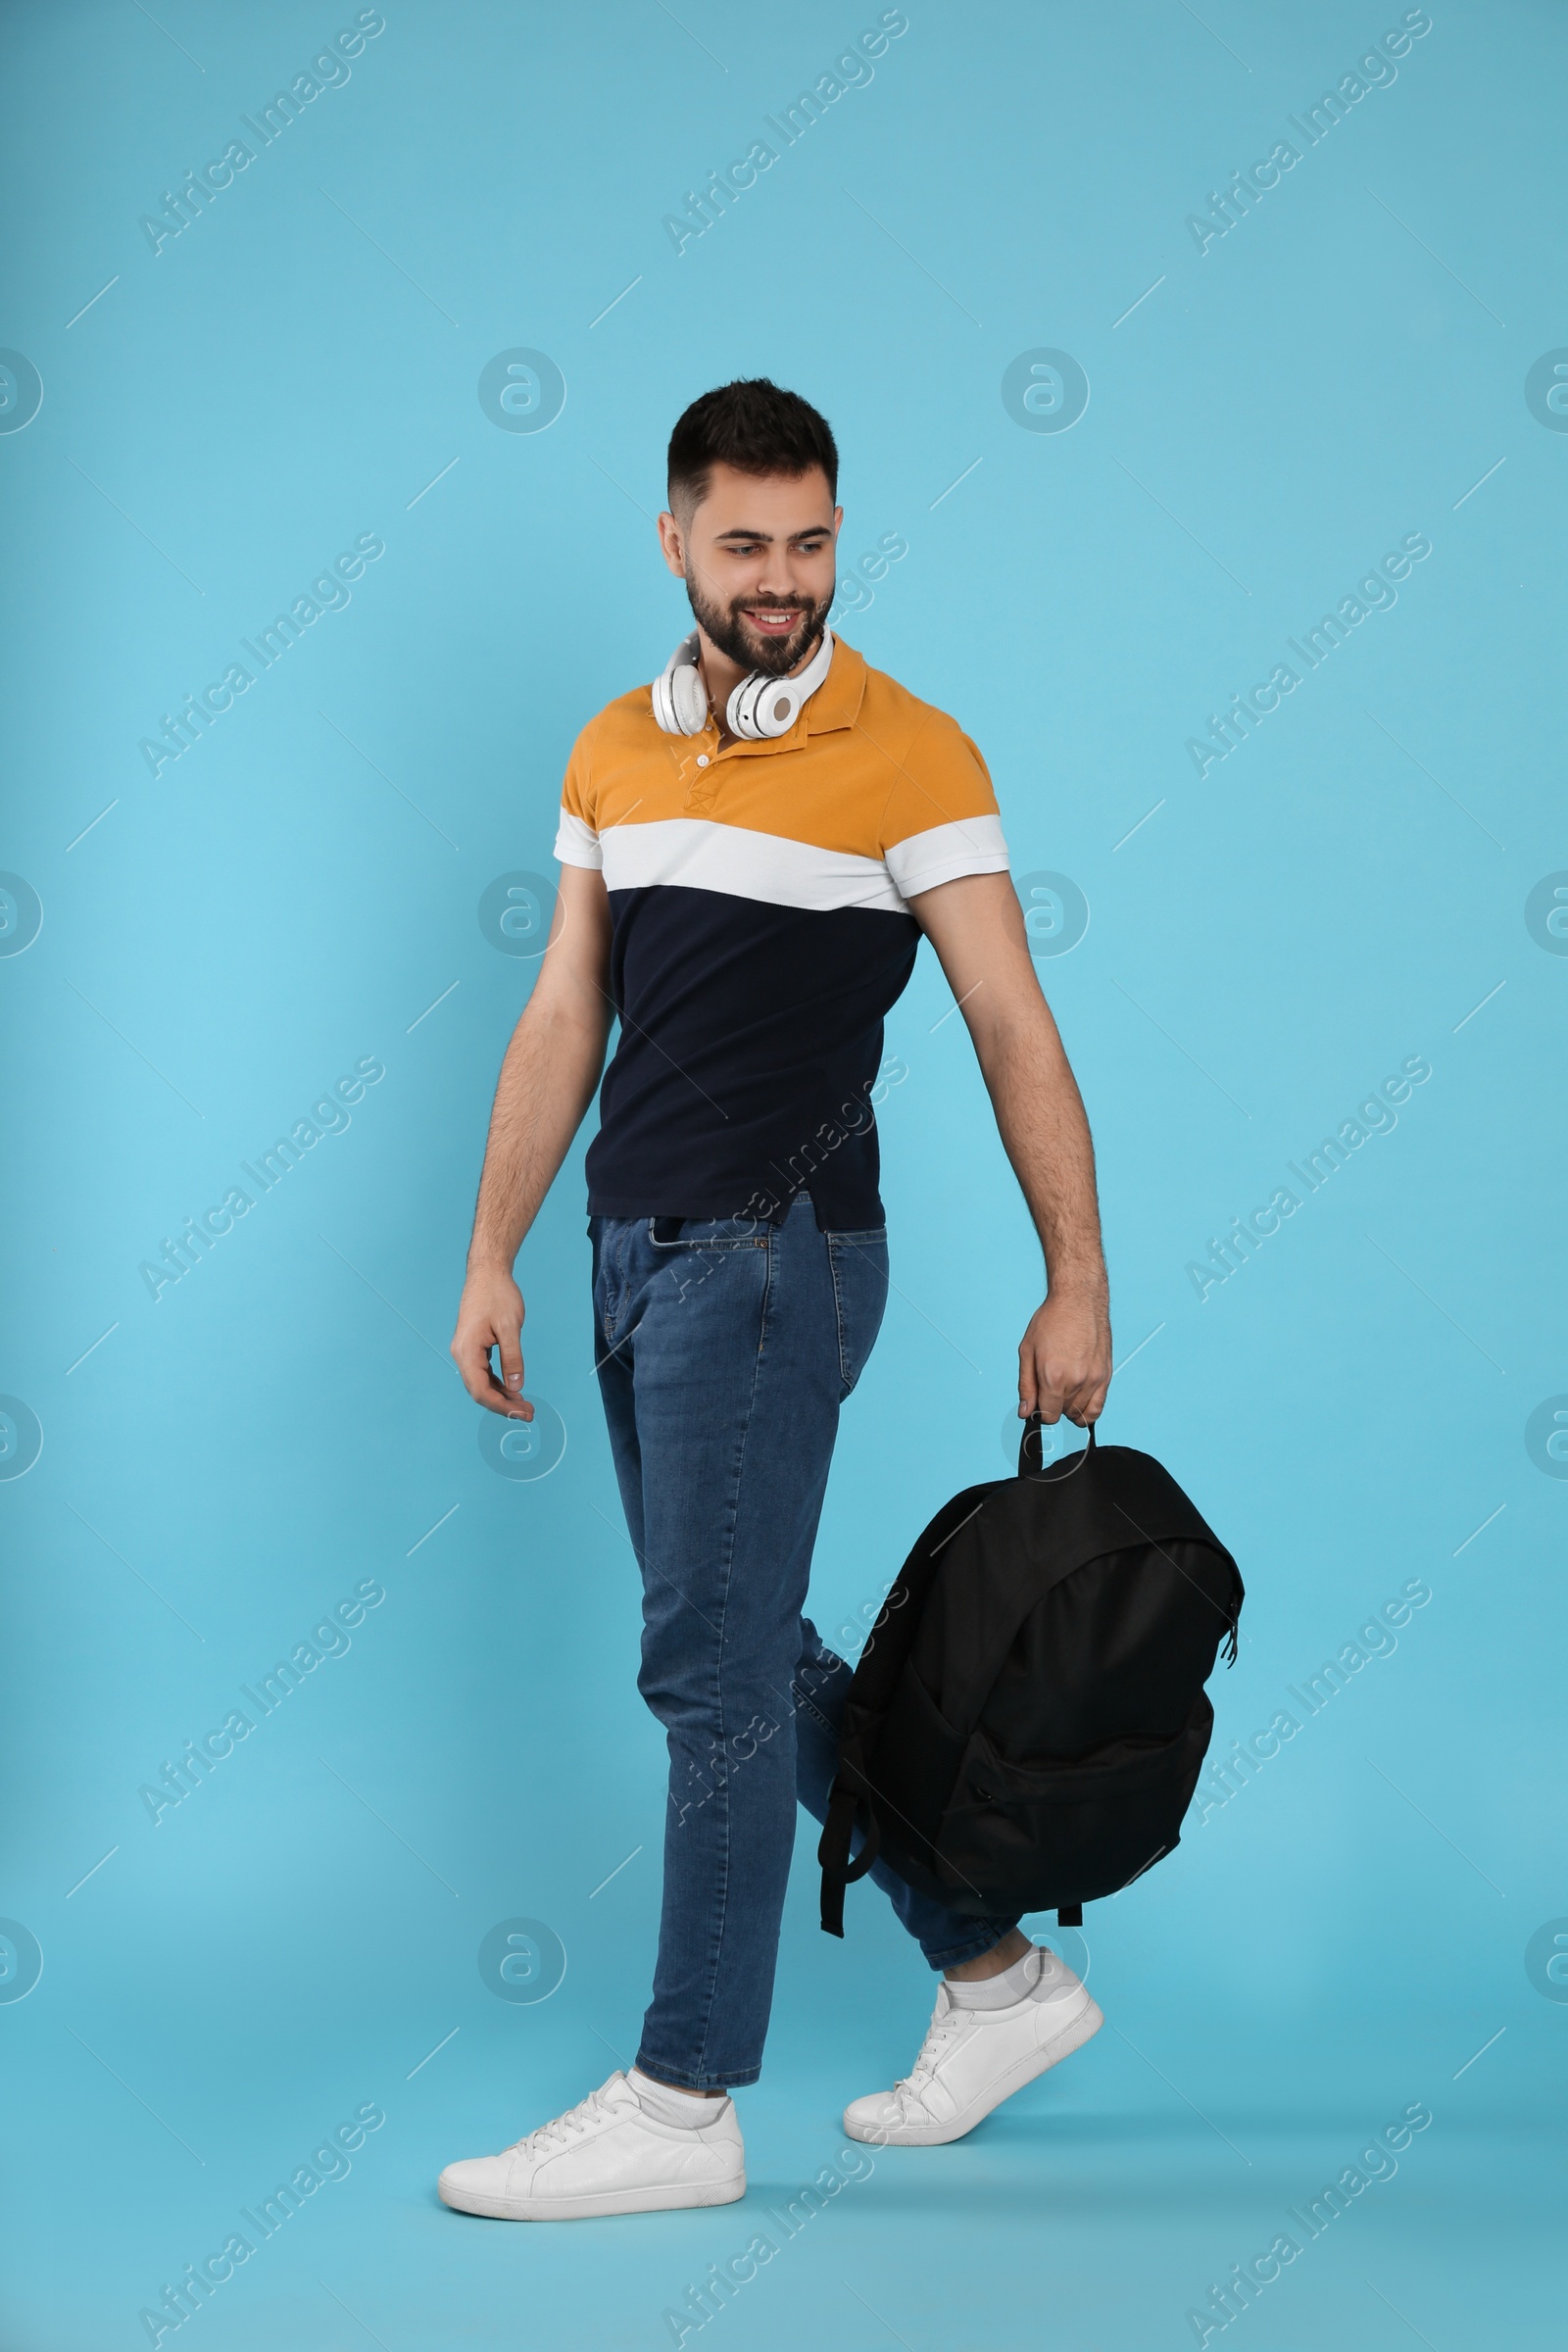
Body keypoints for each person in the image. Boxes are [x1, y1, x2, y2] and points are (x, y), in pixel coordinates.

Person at [438, 380, 1112, 2223]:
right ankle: (995, 1975)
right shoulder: (608, 751)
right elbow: (569, 1009)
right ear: (675, 539)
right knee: (749, 1652)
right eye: (746, 546)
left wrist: (1077, 1277)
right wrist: (497, 1247)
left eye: (812, 543)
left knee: (707, 1673)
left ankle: (681, 2102)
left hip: (778, 1250)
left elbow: (1006, 1023)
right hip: (629, 1249)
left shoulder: (915, 755)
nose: (784, 581)